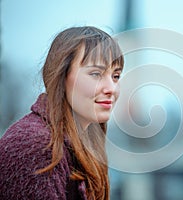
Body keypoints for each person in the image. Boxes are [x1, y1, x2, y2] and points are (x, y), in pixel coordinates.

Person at [0, 26, 124, 200]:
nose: (112, 88)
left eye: (116, 76)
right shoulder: (36, 146)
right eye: (96, 74)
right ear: (61, 76)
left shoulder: (80, 143)